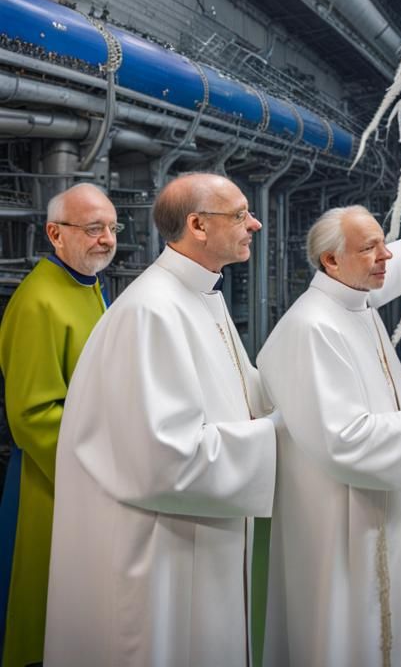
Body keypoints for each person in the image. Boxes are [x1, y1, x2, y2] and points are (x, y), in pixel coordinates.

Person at [43, 173, 277, 667]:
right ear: (196, 225)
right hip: (160, 550)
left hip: (195, 536)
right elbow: (167, 456)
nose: (253, 223)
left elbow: (245, 393)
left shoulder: (198, 296)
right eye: (238, 215)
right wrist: (281, 438)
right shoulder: (152, 311)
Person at [257, 206, 401, 667]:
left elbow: (387, 406)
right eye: (368, 248)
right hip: (341, 523)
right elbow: (342, 437)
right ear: (330, 261)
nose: (385, 256)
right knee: (348, 639)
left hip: (376, 510)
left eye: (383, 243)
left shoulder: (357, 309)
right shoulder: (313, 326)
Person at [0, 184, 118, 667]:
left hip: (84, 466)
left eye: (112, 227)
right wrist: (101, 471)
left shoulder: (86, 286)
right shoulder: (39, 302)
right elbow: (32, 415)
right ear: (55, 234)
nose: (107, 239)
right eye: (93, 229)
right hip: (53, 481)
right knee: (44, 610)